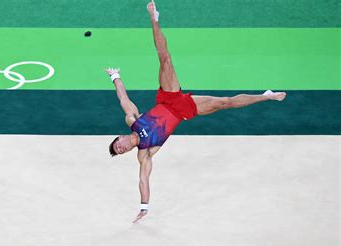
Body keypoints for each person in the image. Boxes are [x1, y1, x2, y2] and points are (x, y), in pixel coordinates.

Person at [105, 0, 286, 223]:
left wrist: (115, 77)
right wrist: (144, 206)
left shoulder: (133, 120)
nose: (121, 147)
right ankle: (266, 96)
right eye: (121, 150)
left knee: (165, 57)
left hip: (168, 97)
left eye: (118, 144)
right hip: (183, 111)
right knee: (225, 102)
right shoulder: (144, 153)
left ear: (121, 136)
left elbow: (124, 98)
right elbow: (143, 179)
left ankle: (154, 17)